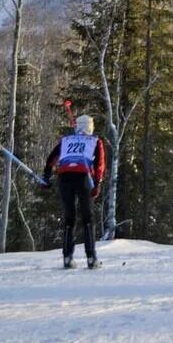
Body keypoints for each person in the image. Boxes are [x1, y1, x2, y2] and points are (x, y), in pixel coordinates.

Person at [41, 114, 106, 269]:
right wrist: (97, 183)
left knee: (69, 218)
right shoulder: (95, 141)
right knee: (88, 217)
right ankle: (91, 257)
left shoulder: (66, 140)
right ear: (90, 126)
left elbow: (52, 159)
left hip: (64, 177)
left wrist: (46, 177)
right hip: (84, 177)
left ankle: (67, 258)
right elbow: (99, 164)